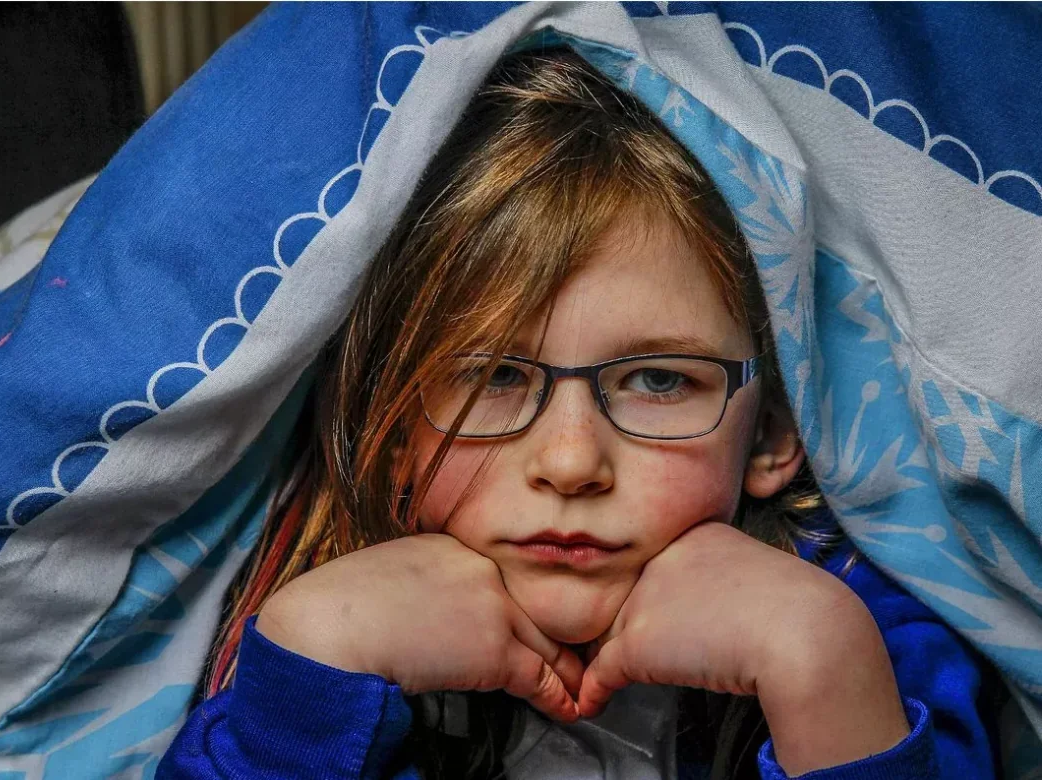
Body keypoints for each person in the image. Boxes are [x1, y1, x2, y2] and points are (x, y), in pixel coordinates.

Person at [157, 47, 996, 779]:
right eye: (493, 376)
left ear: (772, 433)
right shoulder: (323, 630)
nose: (569, 463)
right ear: (396, 425)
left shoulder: (868, 632)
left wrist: (820, 668)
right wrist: (316, 656)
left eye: (660, 381)